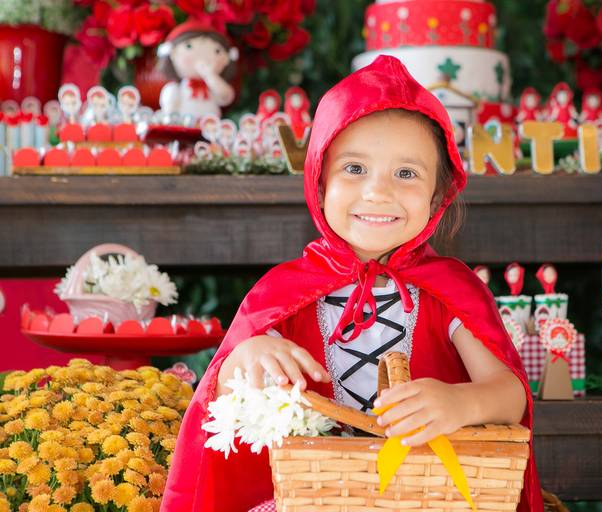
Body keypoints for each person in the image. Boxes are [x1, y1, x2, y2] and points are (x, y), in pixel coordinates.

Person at [161, 55, 542, 512]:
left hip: (427, 495)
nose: (377, 192)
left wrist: (461, 404)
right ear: (319, 181)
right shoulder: (284, 291)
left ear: (438, 194)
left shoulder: (450, 291)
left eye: (406, 174)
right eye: (354, 169)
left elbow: (509, 391)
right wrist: (244, 357)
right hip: (313, 496)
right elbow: (220, 398)